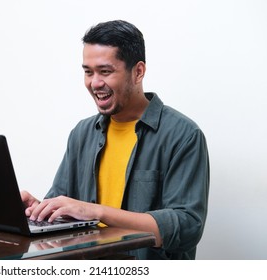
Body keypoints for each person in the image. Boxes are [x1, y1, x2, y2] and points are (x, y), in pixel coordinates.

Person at [21, 20, 209, 260]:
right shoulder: (82, 133)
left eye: (105, 71)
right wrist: (37, 210)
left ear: (138, 71)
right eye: (88, 72)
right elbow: (68, 213)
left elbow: (186, 228)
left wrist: (97, 212)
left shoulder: (183, 135)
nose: (94, 83)